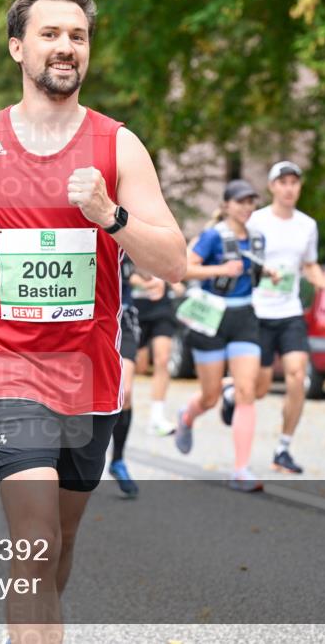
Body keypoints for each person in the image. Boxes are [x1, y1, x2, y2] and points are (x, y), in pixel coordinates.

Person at [0, 0, 185, 638]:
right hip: (4, 363)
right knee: (33, 543)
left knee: (56, 546)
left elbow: (173, 261)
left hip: (89, 374)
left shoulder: (118, 147)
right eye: (51, 34)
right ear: (17, 47)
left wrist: (110, 216)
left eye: (78, 36)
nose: (67, 47)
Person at [218, 161, 325, 474]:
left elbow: (310, 264)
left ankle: (283, 448)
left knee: (297, 375)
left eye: (295, 182)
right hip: (258, 311)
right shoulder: (257, 222)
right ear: (272, 187)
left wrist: (320, 279)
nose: (289, 187)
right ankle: (231, 392)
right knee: (260, 389)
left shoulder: (307, 225)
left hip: (290, 311)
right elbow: (239, 254)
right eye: (283, 182)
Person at [173, 179, 280, 492]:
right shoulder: (212, 237)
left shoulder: (258, 238)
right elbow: (183, 270)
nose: (247, 207)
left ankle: (241, 470)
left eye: (251, 202)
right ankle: (187, 416)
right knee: (210, 396)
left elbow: (251, 272)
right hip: (211, 316)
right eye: (241, 201)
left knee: (246, 390)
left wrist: (269, 273)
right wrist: (220, 270)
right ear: (226, 205)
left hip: (244, 316)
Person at [130, 268, 185, 435]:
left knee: (163, 359)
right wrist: (142, 282)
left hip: (162, 309)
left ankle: (157, 417)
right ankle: (119, 407)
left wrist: (171, 280)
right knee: (139, 366)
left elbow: (170, 262)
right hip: (135, 309)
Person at [108, 254, 140, 497]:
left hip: (123, 319)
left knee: (125, 392)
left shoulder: (123, 221)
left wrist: (152, 279)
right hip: (84, 319)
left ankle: (118, 460)